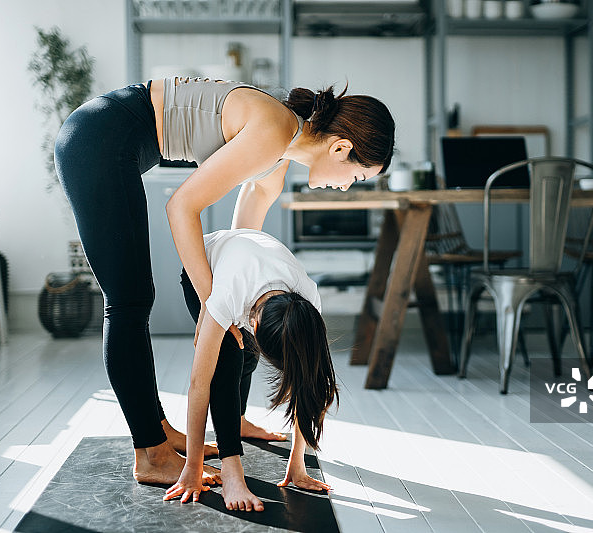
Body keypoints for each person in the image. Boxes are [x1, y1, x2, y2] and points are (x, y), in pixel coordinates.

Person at [54, 78, 394, 490]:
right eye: (356, 176)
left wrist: (238, 306)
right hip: (98, 138)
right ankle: (150, 452)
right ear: (340, 148)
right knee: (129, 300)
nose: (346, 187)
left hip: (116, 140)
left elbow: (240, 242)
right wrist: (211, 301)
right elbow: (181, 207)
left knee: (229, 319)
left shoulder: (279, 152)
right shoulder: (274, 133)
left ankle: (188, 425)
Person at [163, 228, 338, 510]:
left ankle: (239, 421)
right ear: (253, 327)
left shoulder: (307, 307)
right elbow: (199, 384)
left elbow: (311, 382)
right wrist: (193, 467)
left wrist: (298, 464)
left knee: (249, 359)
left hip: (249, 260)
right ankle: (232, 471)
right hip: (204, 265)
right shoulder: (227, 297)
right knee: (228, 359)